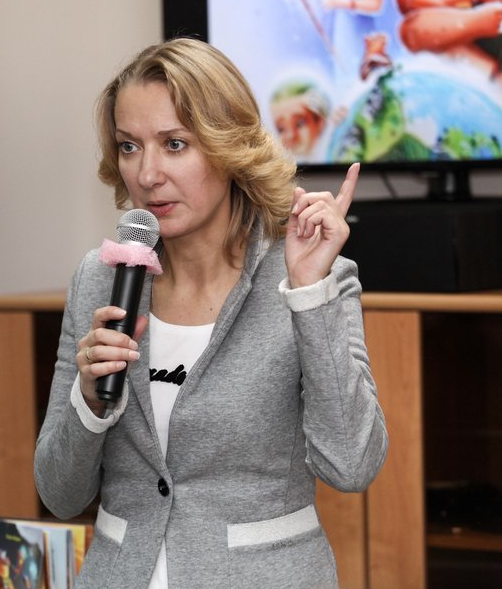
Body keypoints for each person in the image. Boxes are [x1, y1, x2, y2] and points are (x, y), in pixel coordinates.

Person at [33, 38, 389, 588]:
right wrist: (88, 399)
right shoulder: (101, 280)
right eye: (129, 147)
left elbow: (352, 465)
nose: (147, 174)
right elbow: (59, 495)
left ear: (230, 147)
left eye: (174, 144)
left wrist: (309, 296)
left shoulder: (310, 278)